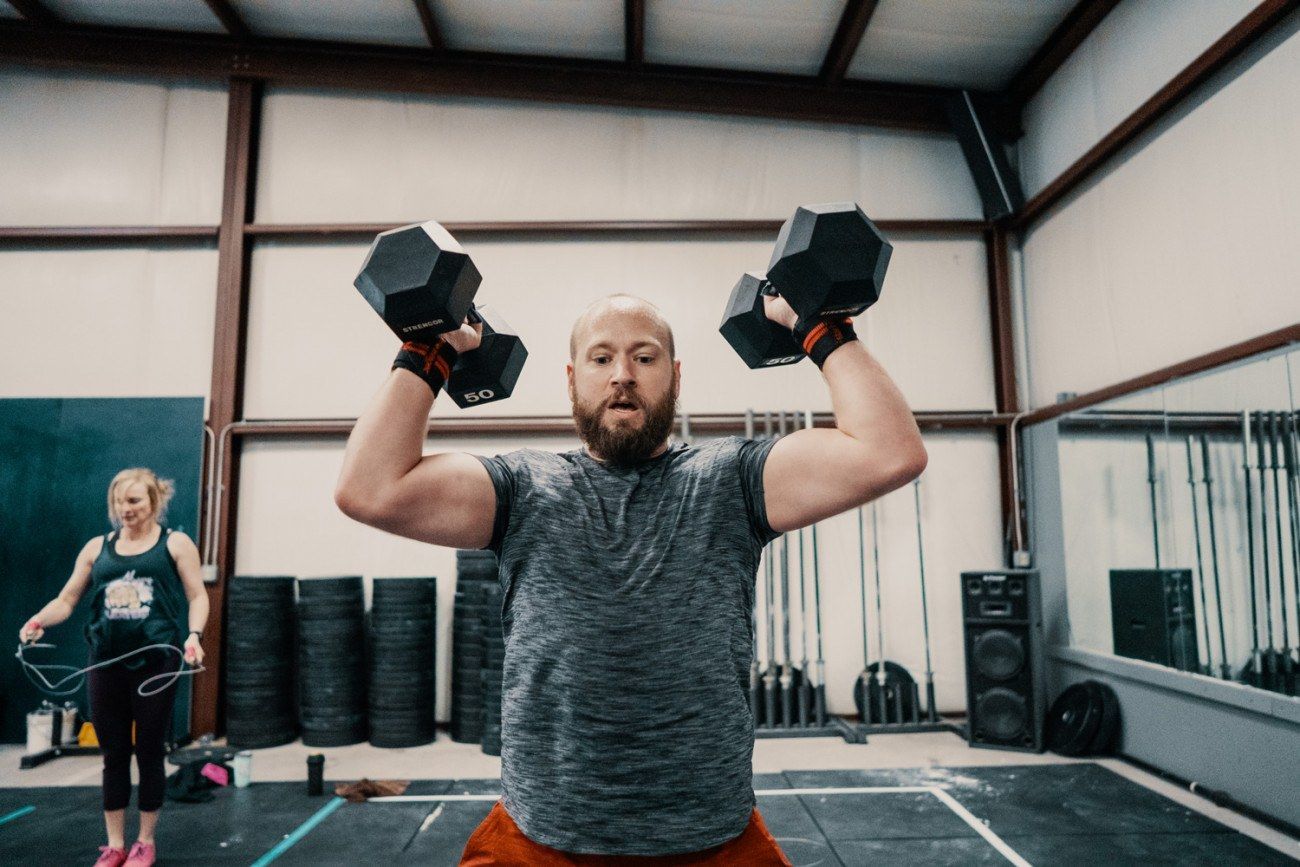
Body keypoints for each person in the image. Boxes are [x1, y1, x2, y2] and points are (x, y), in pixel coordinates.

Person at [336, 292, 925, 865]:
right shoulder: (522, 488)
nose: (623, 375)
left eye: (644, 358)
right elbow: (370, 490)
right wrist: (429, 350)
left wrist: (818, 326)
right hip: (544, 837)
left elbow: (890, 453)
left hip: (709, 836)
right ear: (572, 379)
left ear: (675, 376)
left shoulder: (730, 481)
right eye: (601, 358)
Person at [19, 468, 208, 867]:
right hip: (105, 663)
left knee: (150, 751)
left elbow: (197, 595)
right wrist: (38, 620)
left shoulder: (175, 544)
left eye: (135, 501)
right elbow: (67, 600)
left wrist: (193, 635)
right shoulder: (96, 548)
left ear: (154, 502)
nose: (126, 509)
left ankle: (146, 842)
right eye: (120, 501)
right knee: (113, 754)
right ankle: (115, 845)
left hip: (157, 662)